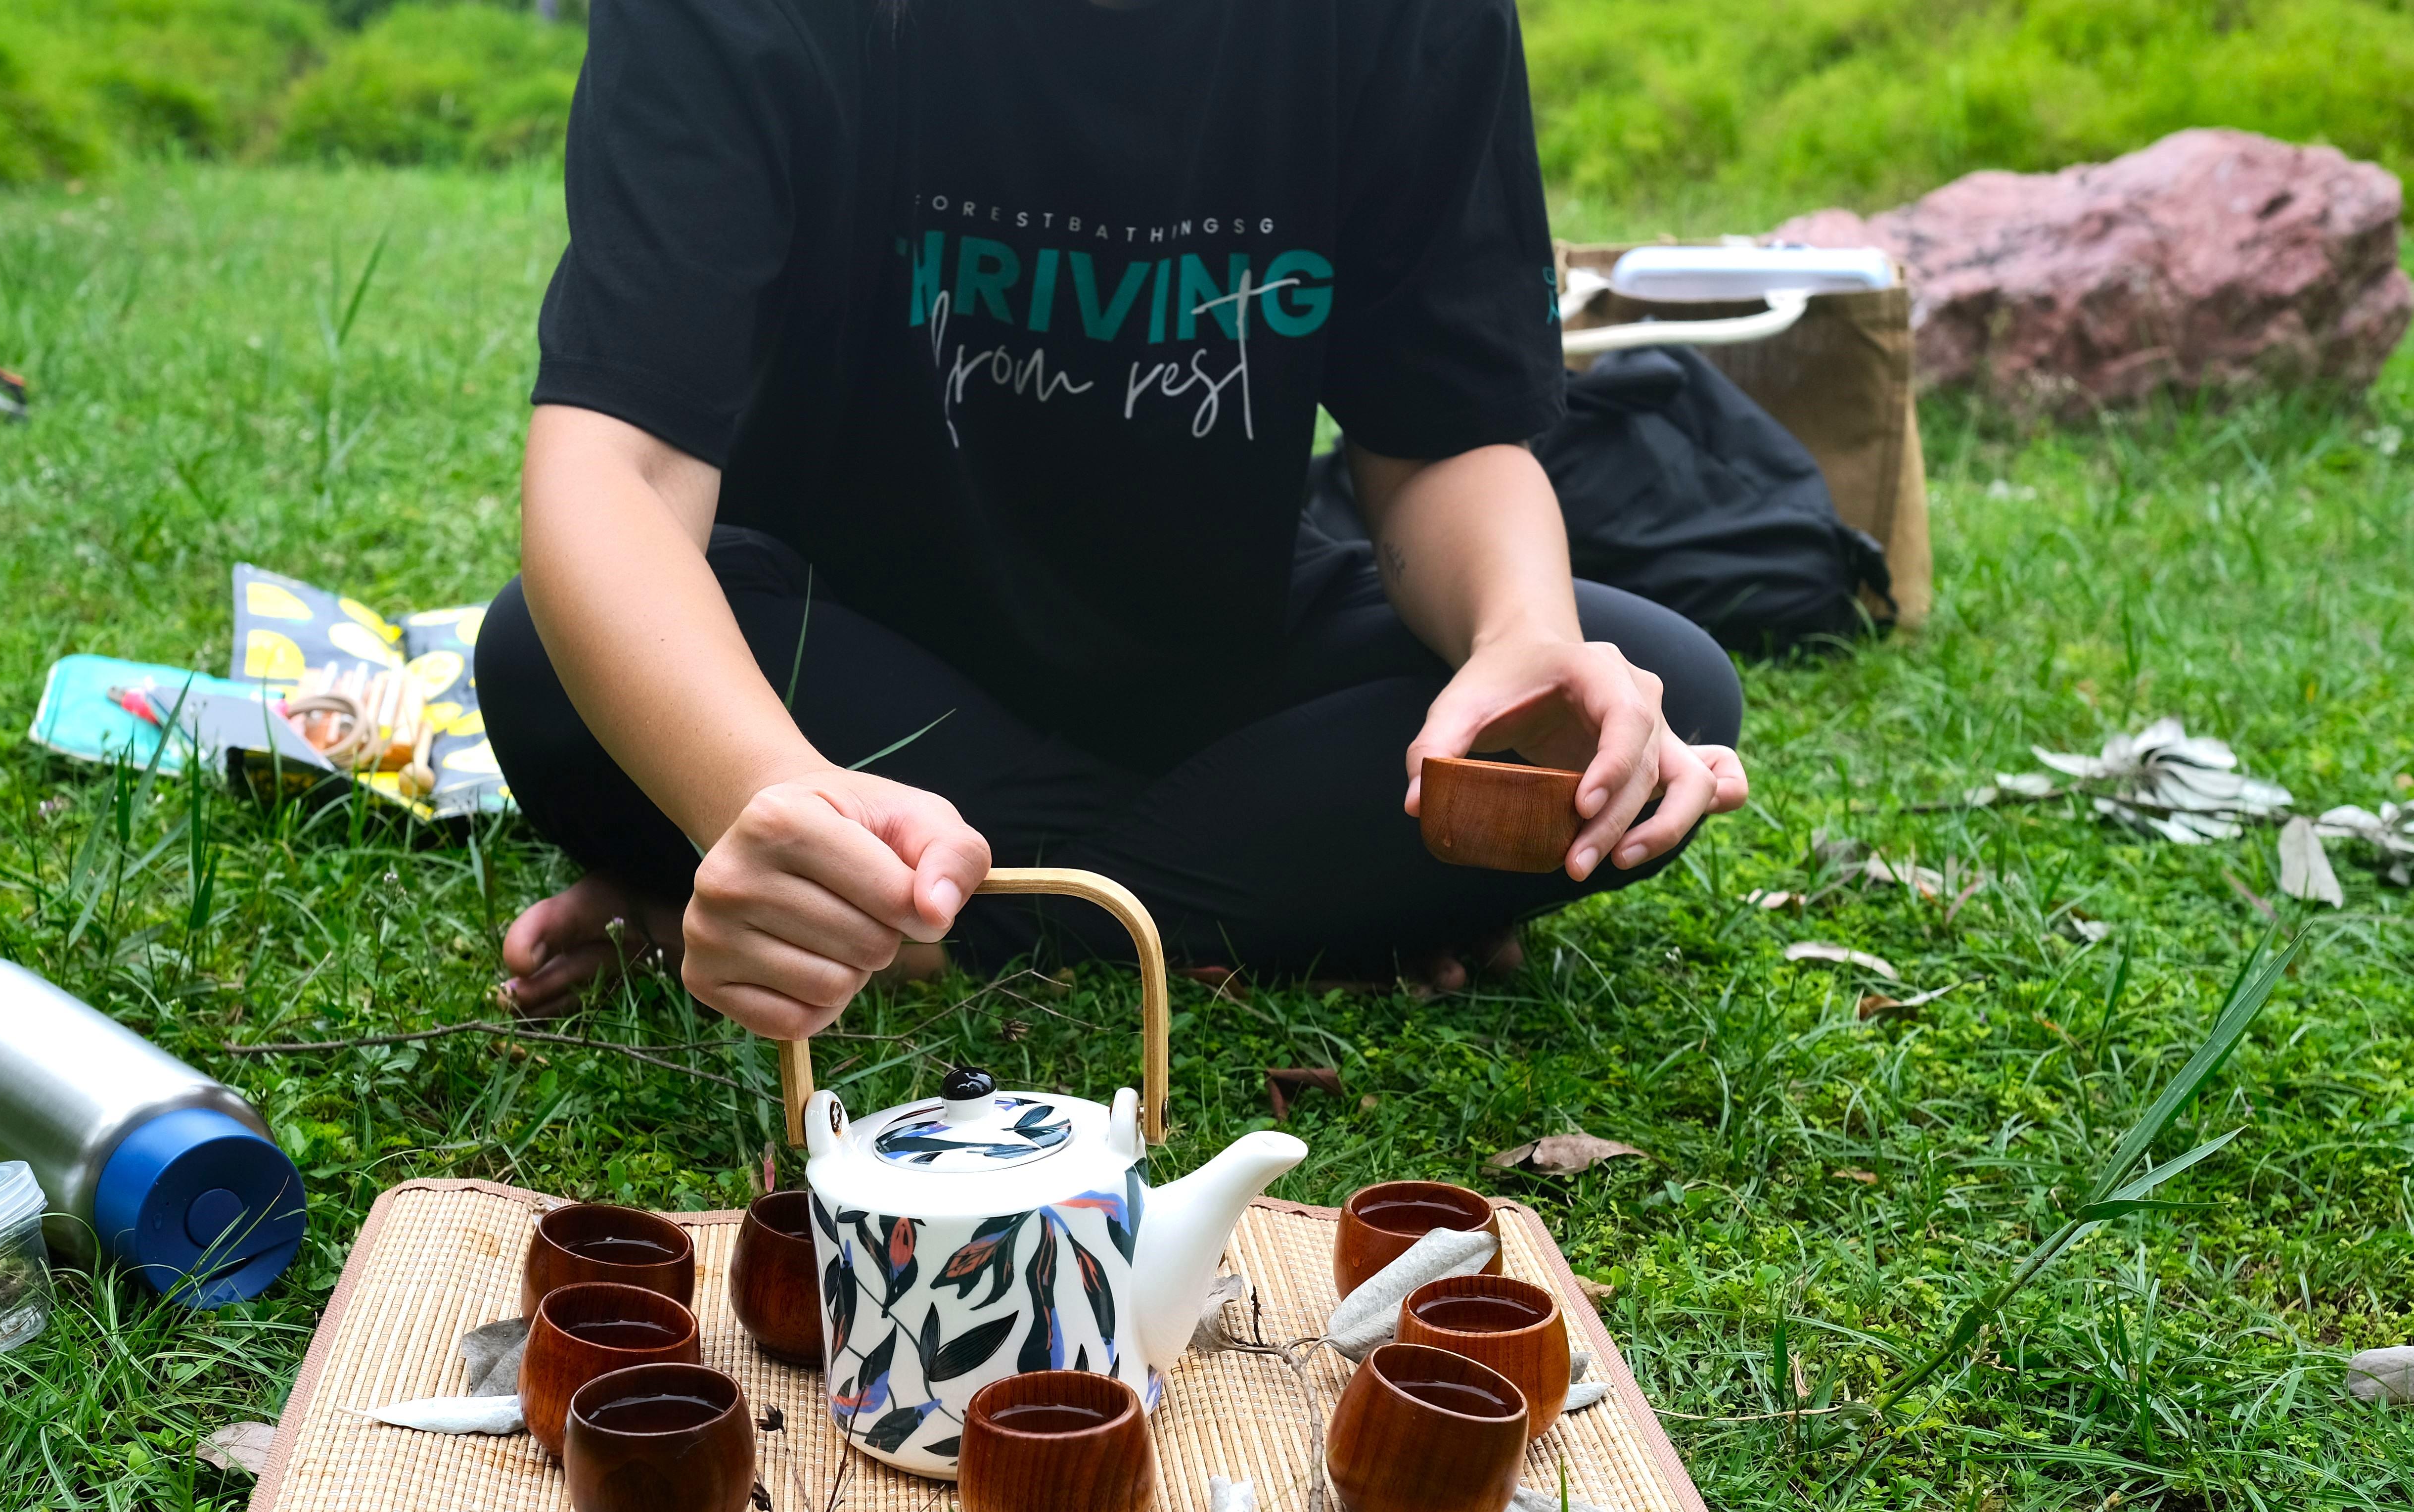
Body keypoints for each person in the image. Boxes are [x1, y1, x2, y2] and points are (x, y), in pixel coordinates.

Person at [478, 0, 1749, 1039]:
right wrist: (761, 790)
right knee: (550, 660)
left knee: (1650, 699)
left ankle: (894, 912)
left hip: (1221, 674)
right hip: (841, 691)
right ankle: (1241, 903)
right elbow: (618, 476)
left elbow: (1439, 445)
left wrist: (1521, 638)